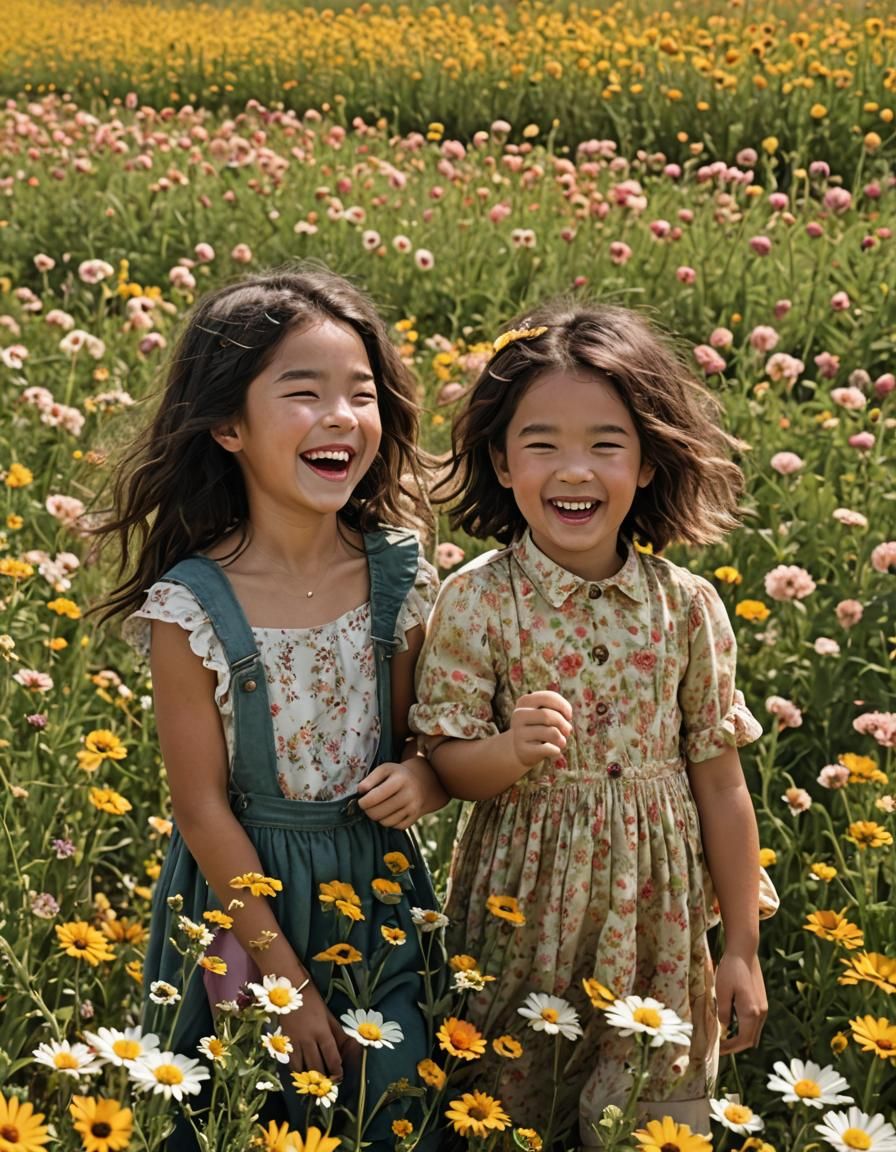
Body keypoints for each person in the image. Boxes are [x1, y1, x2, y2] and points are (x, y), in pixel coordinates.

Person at [98, 265, 447, 1148]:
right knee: (237, 1109)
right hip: (240, 905)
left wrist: (423, 780)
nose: (341, 416)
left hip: (377, 891)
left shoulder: (397, 576)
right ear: (228, 427)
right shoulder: (191, 607)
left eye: (361, 394)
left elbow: (418, 743)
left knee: (390, 1100)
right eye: (304, 393)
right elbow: (200, 809)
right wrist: (281, 982)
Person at [409, 303, 771, 1145]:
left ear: (647, 464)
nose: (574, 471)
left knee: (652, 1118)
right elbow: (447, 765)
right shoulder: (477, 600)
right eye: (542, 445)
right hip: (521, 922)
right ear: (502, 463)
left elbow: (722, 784)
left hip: (660, 929)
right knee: (506, 1114)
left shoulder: (687, 606)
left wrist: (742, 948)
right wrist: (508, 751)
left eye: (607, 444)